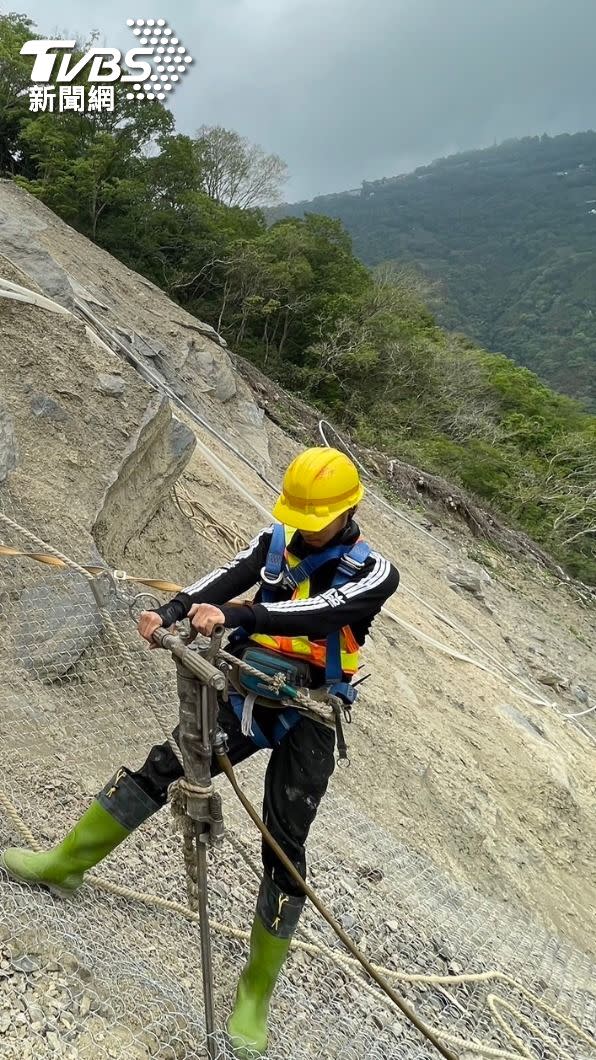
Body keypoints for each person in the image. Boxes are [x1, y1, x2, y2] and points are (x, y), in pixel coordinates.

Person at [1, 447, 399, 1057]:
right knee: (167, 766)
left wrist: (237, 612)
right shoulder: (276, 541)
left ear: (346, 511)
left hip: (311, 710)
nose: (301, 525)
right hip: (244, 684)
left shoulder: (374, 572)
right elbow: (221, 578)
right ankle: (66, 864)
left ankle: (255, 995)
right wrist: (173, 609)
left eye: (312, 515)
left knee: (284, 840)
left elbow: (323, 612)